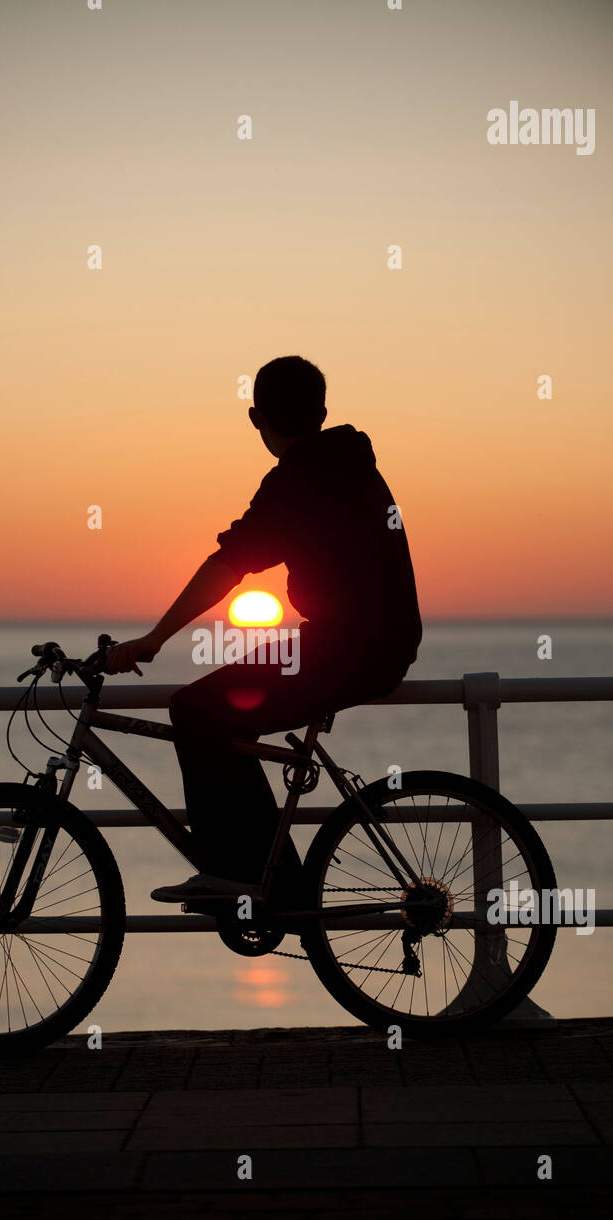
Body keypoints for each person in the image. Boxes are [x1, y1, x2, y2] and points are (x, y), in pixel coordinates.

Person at [103, 355, 422, 906]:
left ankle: (249, 875)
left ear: (256, 419)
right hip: (373, 642)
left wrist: (154, 639)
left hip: (347, 648)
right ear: (322, 411)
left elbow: (230, 565)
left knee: (197, 710)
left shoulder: (296, 480)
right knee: (219, 714)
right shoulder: (351, 462)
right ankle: (271, 877)